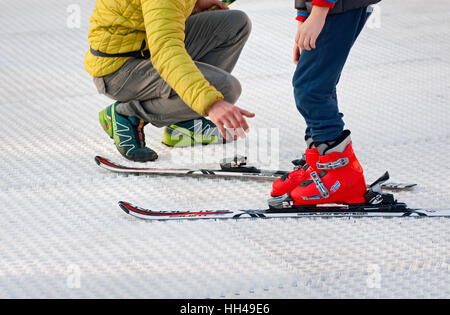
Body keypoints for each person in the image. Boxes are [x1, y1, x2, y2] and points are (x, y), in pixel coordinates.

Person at [85, 0, 254, 162]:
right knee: (224, 89)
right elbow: (166, 51)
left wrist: (195, 3)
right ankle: (127, 114)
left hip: (144, 47)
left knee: (234, 24)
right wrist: (210, 103)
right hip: (119, 71)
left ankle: (183, 121)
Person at [271, 0, 381, 205]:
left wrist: (318, 13)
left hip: (336, 6)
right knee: (318, 83)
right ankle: (321, 164)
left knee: (311, 89)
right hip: (329, 6)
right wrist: (304, 17)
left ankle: (342, 177)